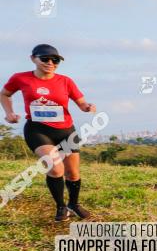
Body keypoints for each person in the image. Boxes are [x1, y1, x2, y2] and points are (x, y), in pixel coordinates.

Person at [1, 44, 96, 221]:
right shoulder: (20, 78)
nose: (50, 63)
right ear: (33, 59)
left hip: (66, 130)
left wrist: (87, 107)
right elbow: (5, 94)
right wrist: (9, 113)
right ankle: (61, 207)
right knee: (55, 168)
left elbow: (81, 102)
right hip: (38, 129)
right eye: (45, 59)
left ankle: (73, 204)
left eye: (55, 60)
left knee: (73, 173)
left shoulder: (65, 81)